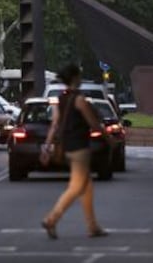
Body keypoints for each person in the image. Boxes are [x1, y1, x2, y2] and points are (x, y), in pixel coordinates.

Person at [41, 62, 115, 239]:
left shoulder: (61, 98)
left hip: (67, 147)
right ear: (75, 78)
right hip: (79, 147)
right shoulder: (79, 99)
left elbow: (55, 124)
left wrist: (47, 146)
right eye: (79, 76)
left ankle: (92, 226)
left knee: (86, 186)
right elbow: (93, 123)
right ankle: (52, 218)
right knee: (76, 187)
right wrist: (107, 137)